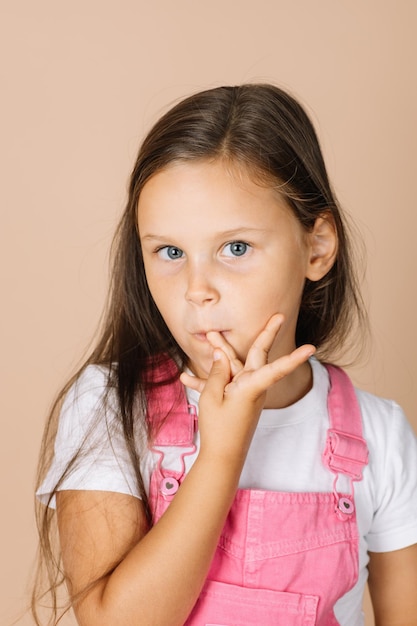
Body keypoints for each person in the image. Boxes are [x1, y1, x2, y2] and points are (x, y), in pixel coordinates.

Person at [33, 84, 417, 626]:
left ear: (317, 247)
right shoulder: (107, 406)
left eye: (235, 248)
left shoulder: (380, 435)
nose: (197, 289)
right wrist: (220, 454)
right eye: (169, 252)